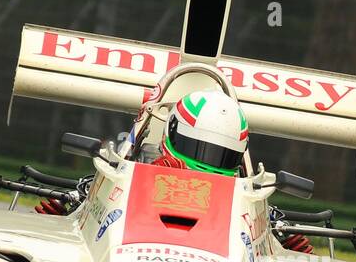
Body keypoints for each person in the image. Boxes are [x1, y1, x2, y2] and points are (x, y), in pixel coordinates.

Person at [39, 88, 314, 253]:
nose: (206, 162)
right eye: (197, 147)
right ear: (171, 132)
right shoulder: (124, 176)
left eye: (221, 154)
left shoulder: (248, 205)